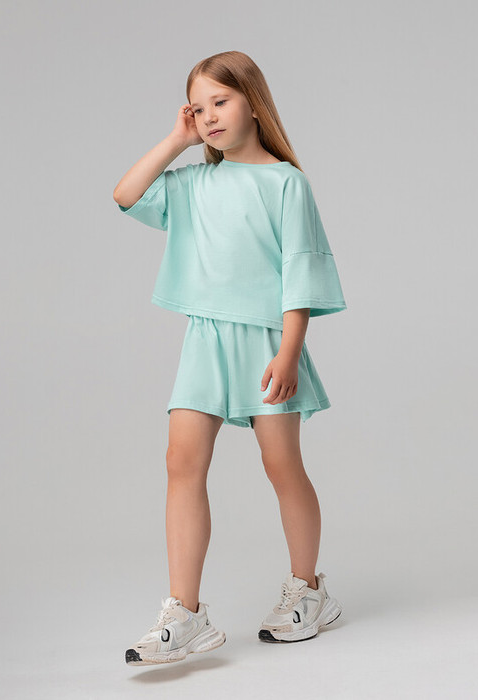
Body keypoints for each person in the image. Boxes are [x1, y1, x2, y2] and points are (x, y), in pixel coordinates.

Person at [113, 51, 347, 667]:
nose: (209, 116)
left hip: (268, 342)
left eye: (221, 101)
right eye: (198, 107)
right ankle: (185, 613)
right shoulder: (193, 183)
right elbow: (125, 194)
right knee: (180, 462)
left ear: (253, 103)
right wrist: (177, 140)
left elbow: (299, 271)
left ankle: (309, 590)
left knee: (281, 465)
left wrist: (290, 352)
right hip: (205, 339)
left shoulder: (286, 182)